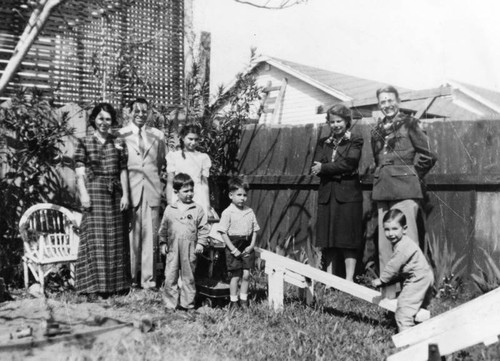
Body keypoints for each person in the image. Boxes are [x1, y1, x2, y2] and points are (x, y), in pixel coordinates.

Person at [371, 85, 437, 297]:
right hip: (382, 190)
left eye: (390, 100)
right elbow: (378, 158)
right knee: (385, 244)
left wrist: (412, 174)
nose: (387, 105)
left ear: (398, 101)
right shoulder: (376, 129)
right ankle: (389, 296)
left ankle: (414, 295)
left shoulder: (410, 123)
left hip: (406, 191)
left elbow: (429, 154)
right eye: (382, 102)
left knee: (407, 244)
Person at [74, 103, 130, 295]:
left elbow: (123, 169)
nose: (104, 123)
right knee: (95, 238)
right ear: (94, 120)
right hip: (94, 191)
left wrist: (126, 195)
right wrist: (83, 193)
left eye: (108, 119)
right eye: (100, 118)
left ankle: (115, 286)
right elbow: (79, 171)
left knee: (114, 238)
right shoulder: (84, 142)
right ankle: (92, 287)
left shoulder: (118, 141)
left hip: (114, 193)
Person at [311, 104, 363, 282]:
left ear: (347, 121)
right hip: (328, 194)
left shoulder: (355, 140)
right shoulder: (323, 142)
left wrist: (325, 168)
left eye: (339, 121)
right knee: (329, 239)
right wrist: (330, 169)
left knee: (348, 238)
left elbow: (350, 164)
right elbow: (314, 167)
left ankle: (349, 280)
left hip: (348, 195)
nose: (335, 125)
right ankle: (330, 280)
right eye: (332, 122)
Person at [118, 97, 166, 289]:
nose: (140, 115)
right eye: (136, 111)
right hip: (131, 191)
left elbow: (160, 162)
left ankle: (149, 280)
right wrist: (124, 192)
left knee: (150, 237)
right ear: (129, 112)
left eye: (144, 111)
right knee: (131, 237)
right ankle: (129, 280)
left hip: (152, 191)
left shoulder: (157, 135)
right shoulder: (121, 135)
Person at [371, 209, 434, 332]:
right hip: (425, 276)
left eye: (395, 229)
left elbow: (393, 266)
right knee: (418, 309)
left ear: (404, 229)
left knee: (403, 311)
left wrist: (382, 280)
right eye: (387, 229)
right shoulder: (403, 243)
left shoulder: (402, 247)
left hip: (417, 279)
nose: (390, 233)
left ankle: (406, 341)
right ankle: (422, 333)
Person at [159, 173, 209, 311]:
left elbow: (204, 228)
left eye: (191, 190)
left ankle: (188, 304)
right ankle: (170, 304)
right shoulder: (170, 209)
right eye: (185, 191)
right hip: (173, 248)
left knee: (189, 277)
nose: (189, 194)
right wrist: (163, 243)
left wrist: (200, 243)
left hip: (190, 248)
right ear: (176, 192)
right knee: (170, 276)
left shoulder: (197, 209)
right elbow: (163, 228)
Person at [217, 177, 260, 309]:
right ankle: (234, 301)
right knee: (235, 275)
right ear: (231, 195)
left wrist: (252, 245)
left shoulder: (249, 211)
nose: (242, 198)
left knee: (246, 274)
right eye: (239, 195)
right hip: (233, 244)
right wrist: (233, 249)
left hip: (247, 245)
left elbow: (255, 230)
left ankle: (244, 299)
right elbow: (223, 232)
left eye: (245, 195)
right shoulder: (227, 212)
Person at [166, 123, 211, 215]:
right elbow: (170, 182)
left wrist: (208, 207)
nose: (193, 142)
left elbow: (205, 184)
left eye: (196, 140)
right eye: (190, 139)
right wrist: (170, 203)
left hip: (198, 197)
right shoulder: (174, 156)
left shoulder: (202, 157)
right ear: (183, 138)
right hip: (179, 196)